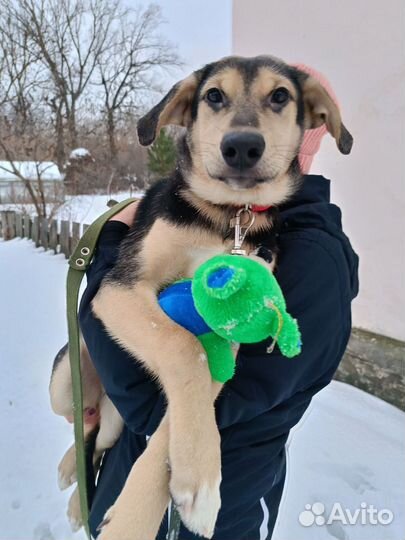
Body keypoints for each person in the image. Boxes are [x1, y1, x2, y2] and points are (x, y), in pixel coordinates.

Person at [78, 65, 359, 540]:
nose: (242, 133)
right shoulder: (218, 220)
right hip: (120, 495)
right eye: (217, 100)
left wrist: (109, 251)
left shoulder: (313, 259)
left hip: (223, 514)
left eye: (277, 101)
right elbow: (118, 305)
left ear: (307, 126)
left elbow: (152, 404)